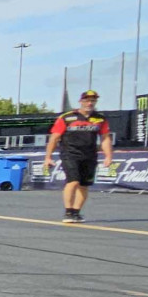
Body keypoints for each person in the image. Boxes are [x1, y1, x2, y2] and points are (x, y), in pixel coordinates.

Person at [44, 90, 113, 223]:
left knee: (83, 185)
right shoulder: (67, 117)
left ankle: (76, 212)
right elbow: (54, 138)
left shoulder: (100, 119)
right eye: (87, 100)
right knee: (73, 181)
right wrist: (48, 157)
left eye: (92, 100)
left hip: (90, 155)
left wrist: (108, 156)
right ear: (81, 101)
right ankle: (68, 211)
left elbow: (105, 138)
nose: (89, 103)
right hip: (70, 154)